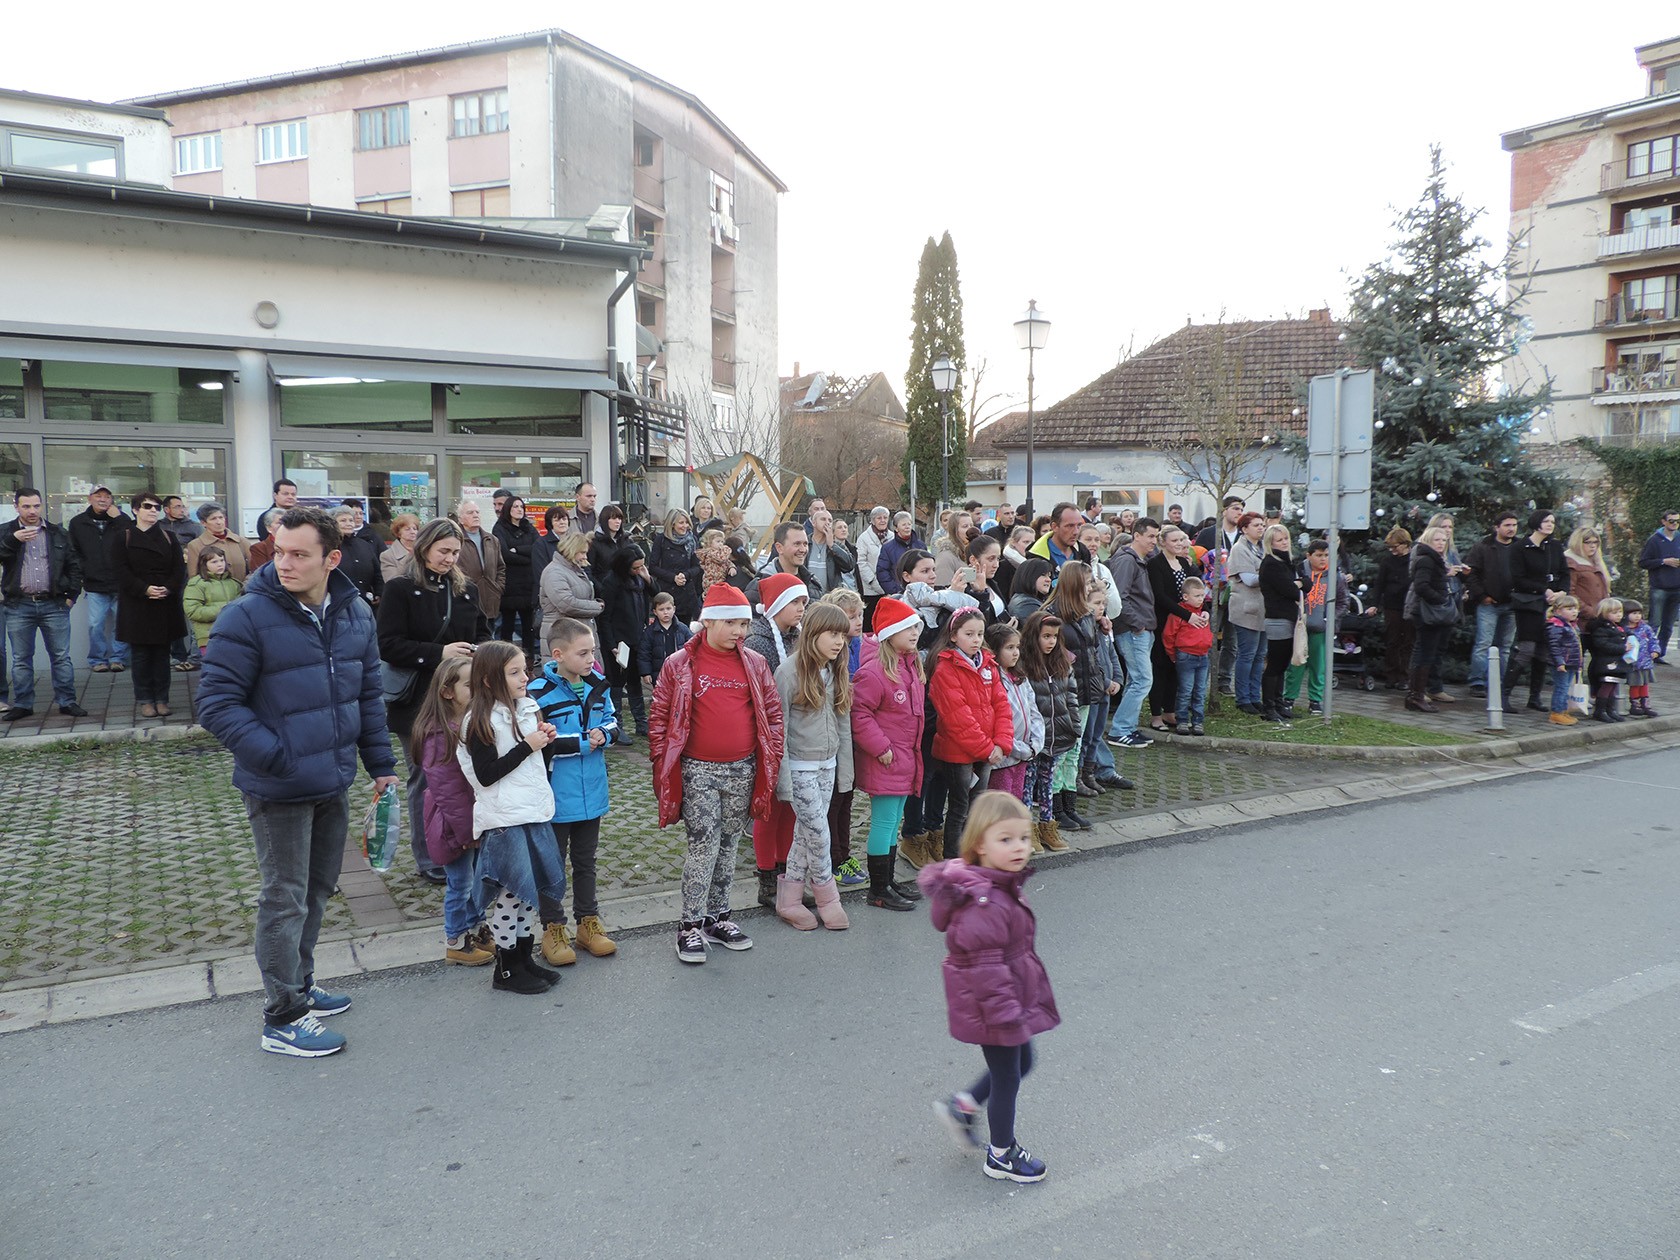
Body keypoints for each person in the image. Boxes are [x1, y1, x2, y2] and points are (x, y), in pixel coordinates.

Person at [196, 506, 398, 1057]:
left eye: (299, 554)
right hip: (278, 786)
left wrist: (381, 765)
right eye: (280, 551)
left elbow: (366, 695)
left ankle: (301, 985)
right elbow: (216, 705)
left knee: (316, 890)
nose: (284, 563)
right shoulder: (246, 616)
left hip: (333, 780)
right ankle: (282, 1016)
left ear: (331, 559)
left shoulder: (354, 613)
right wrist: (278, 758)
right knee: (284, 899)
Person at [924, 791, 1060, 1184]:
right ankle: (1001, 1155)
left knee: (1022, 1063)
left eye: (1024, 838)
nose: (1019, 847)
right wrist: (1005, 1014)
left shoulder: (996, 886)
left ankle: (963, 1106)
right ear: (980, 845)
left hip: (1005, 999)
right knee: (1007, 1076)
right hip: (994, 1007)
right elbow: (986, 969)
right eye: (1006, 839)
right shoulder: (984, 903)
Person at [650, 583, 784, 964]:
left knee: (729, 844)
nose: (739, 631)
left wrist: (771, 758)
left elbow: (772, 714)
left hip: (742, 769)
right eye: (730, 623)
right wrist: (662, 764)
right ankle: (689, 924)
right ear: (708, 622)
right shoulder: (679, 664)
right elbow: (660, 717)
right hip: (698, 770)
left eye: (743, 623)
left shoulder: (754, 663)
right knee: (704, 844)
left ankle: (717, 917)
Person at [377, 517, 494, 884]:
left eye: (455, 552)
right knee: (425, 778)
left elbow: (483, 632)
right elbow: (388, 645)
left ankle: (467, 844)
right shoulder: (399, 589)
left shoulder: (466, 589)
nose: (449, 558)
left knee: (466, 773)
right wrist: (439, 652)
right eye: (444, 551)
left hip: (463, 698)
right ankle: (429, 856)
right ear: (423, 548)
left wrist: (480, 651)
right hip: (417, 699)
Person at [455, 641, 566, 995]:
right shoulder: (479, 721)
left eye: (525, 670)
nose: (525, 678)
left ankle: (522, 960)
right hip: (504, 819)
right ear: (490, 680)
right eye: (514, 672)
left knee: (526, 894)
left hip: (530, 811)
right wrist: (528, 745)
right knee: (511, 893)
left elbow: (531, 763)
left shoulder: (525, 708)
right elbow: (487, 774)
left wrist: (545, 742)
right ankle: (506, 968)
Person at [527, 617, 621, 966]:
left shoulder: (598, 683)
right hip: (555, 796)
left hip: (592, 792)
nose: (591, 659)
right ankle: (552, 928)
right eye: (583, 653)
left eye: (592, 651)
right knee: (552, 866)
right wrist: (585, 741)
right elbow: (541, 741)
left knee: (586, 862)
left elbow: (612, 719)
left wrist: (606, 734)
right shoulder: (538, 692)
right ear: (558, 655)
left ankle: (587, 922)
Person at [770, 602, 854, 931]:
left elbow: (843, 723)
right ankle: (827, 898)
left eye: (842, 636)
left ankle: (789, 901)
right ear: (813, 633)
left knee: (804, 836)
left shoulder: (835, 670)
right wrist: (783, 781)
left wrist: (845, 772)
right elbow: (778, 730)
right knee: (819, 834)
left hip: (827, 765)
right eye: (832, 634)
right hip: (800, 767)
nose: (839, 642)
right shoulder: (788, 672)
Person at [412, 657, 494, 967]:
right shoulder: (439, 734)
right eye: (470, 685)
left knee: (476, 880)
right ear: (447, 692)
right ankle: (456, 940)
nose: (478, 690)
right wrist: (467, 830)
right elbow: (448, 791)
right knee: (460, 883)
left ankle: (476, 927)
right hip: (454, 825)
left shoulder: (469, 723)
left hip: (472, 820)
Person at [851, 596, 928, 908]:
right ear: (889, 633)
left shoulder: (910, 668)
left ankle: (888, 880)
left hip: (905, 759)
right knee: (884, 822)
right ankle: (878, 889)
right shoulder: (874, 672)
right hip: (886, 759)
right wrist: (880, 746)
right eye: (908, 628)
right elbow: (860, 714)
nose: (914, 632)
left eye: (916, 627)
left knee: (894, 820)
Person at [927, 608, 1014, 861]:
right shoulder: (945, 668)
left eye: (980, 634)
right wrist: (987, 749)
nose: (976, 640)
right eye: (969, 634)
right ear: (954, 635)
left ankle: (973, 855)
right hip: (959, 752)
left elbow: (1001, 705)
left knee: (978, 806)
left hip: (988, 750)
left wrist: (1001, 743)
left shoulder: (988, 663)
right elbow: (957, 718)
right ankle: (954, 860)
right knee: (960, 807)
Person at [743, 571, 807, 904]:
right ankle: (767, 880)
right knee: (769, 810)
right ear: (777, 605)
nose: (801, 608)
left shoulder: (798, 637)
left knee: (790, 807)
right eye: (795, 602)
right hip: (768, 737)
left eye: (803, 602)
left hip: (796, 733)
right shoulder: (758, 642)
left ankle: (787, 877)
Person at [0, 488, 86, 720]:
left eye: (36, 506)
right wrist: (13, 540)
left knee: (61, 657)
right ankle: (23, 704)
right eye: (26, 506)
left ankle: (67, 701)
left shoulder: (57, 533)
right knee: (21, 659)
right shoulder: (6, 531)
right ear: (16, 507)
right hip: (19, 605)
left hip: (54, 604)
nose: (32, 511)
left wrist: (72, 596)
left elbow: (74, 565)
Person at [108, 491, 189, 719]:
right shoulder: (123, 537)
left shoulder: (168, 537)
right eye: (147, 506)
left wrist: (168, 588)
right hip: (137, 604)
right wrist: (144, 589)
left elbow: (179, 569)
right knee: (141, 655)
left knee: (162, 655)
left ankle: (162, 699)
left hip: (164, 603)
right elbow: (120, 570)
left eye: (156, 507)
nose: (153, 510)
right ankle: (145, 699)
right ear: (135, 510)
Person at [820, 587, 867, 886]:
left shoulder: (858, 644)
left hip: (851, 730)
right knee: (835, 798)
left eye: (860, 614)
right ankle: (833, 858)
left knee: (847, 794)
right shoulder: (833, 653)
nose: (858, 621)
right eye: (851, 617)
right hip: (834, 731)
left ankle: (844, 854)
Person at [1106, 517, 1161, 746]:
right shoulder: (1127, 561)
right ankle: (1120, 729)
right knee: (1142, 680)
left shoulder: (1138, 560)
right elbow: (1120, 597)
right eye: (1150, 536)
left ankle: (1128, 727)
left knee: (1136, 680)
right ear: (1136, 535)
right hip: (1132, 630)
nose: (1154, 541)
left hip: (1140, 628)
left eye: (1156, 536)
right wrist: (1137, 624)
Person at [1503, 509, 1565, 712]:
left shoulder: (1555, 547)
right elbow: (1517, 578)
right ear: (1536, 523)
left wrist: (1561, 591)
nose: (1550, 525)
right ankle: (1504, 694)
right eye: (1546, 521)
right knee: (1527, 649)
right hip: (1529, 604)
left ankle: (1534, 697)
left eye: (1552, 522)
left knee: (1543, 651)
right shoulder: (1521, 547)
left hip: (1551, 605)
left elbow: (1564, 572)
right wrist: (1543, 589)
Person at [68, 486, 131, 674]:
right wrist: (84, 571)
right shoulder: (78, 522)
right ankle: (97, 659)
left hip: (121, 582)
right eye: (98, 496)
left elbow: (132, 540)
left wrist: (118, 518)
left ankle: (118, 658)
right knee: (95, 624)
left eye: (107, 496)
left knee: (122, 623)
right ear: (90, 499)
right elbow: (74, 551)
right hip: (94, 583)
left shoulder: (122, 519)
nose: (103, 500)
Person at [1284, 539, 1349, 716]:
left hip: (1322, 628)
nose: (1323, 559)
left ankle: (1315, 700)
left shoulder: (1336, 576)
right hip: (1300, 627)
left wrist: (1329, 619)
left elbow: (1343, 602)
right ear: (1309, 556)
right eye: (1319, 555)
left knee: (1318, 665)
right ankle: (1289, 698)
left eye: (1326, 555)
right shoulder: (1299, 572)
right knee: (1296, 663)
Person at [1145, 527, 1201, 731]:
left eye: (1181, 540)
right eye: (1174, 540)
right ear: (1163, 542)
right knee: (1160, 667)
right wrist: (1187, 614)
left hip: (1183, 626)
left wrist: (1200, 612)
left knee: (1175, 667)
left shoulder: (1184, 562)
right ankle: (1156, 715)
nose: (1179, 544)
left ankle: (1169, 711)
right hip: (1163, 622)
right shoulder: (1155, 564)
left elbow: (1194, 589)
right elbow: (1160, 596)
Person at [986, 620, 1043, 814]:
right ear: (995, 650)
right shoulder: (993, 680)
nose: (1016, 653)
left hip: (1023, 755)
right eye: (1009, 648)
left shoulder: (1020, 678)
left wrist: (1035, 744)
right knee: (999, 809)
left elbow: (1034, 711)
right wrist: (1018, 749)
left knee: (1014, 804)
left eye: (1017, 647)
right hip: (1003, 758)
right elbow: (994, 723)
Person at [597, 545, 653, 740]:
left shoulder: (639, 579)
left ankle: (641, 722)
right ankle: (617, 724)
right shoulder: (612, 582)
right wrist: (611, 644)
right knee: (617, 682)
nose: (638, 570)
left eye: (641, 566)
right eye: (635, 568)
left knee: (635, 680)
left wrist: (647, 578)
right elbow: (605, 617)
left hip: (637, 637)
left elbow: (655, 593)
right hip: (619, 642)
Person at [1403, 525, 1458, 714]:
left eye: (1443, 540)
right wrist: (1440, 599)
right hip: (1427, 612)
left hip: (1430, 611)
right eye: (1437, 540)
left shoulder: (1434, 558)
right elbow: (1421, 586)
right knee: (1423, 653)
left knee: (1426, 652)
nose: (1441, 543)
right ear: (1428, 540)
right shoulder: (1426, 559)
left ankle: (1416, 695)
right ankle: (1416, 696)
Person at [1463, 511, 1518, 695]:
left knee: (1505, 647)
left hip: (1512, 605)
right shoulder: (1483, 547)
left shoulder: (1519, 547)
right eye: (1507, 525)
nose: (1511, 529)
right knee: (1483, 643)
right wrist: (1482, 596)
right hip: (1488, 604)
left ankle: (1499, 682)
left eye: (1514, 525)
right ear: (1497, 527)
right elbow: (1471, 574)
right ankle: (1477, 681)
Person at [1258, 524, 1305, 724]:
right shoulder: (1272, 564)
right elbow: (1292, 591)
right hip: (1278, 618)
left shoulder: (1286, 562)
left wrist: (1300, 584)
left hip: (1288, 617)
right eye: (1279, 540)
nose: (1284, 542)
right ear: (1271, 543)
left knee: (1283, 664)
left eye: (1286, 538)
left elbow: (1301, 585)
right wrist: (1300, 584)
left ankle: (1278, 704)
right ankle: (1269, 707)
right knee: (1275, 665)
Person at [1225, 511, 1267, 716]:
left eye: (1262, 525)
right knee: (1247, 654)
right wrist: (1272, 576)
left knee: (1260, 655)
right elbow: (1249, 580)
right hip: (1246, 609)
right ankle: (1243, 698)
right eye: (1256, 525)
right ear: (1244, 529)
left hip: (1264, 609)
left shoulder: (1263, 547)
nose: (1261, 528)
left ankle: (1255, 696)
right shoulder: (1239, 549)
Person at [541, 530, 605, 661]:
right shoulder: (554, 572)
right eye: (582, 552)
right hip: (564, 637)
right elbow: (567, 604)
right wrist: (596, 606)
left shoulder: (574, 570)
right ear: (572, 550)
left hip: (575, 634)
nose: (585, 557)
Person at [1164, 574, 1214, 736]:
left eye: (1202, 596)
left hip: (1203, 655)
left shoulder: (1203, 613)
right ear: (1186, 597)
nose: (1201, 599)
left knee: (1200, 691)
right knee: (1185, 690)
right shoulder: (1179, 614)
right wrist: (1173, 655)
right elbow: (1168, 636)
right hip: (1186, 655)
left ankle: (1198, 721)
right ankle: (1182, 720)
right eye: (1197, 596)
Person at [493, 496, 541, 657]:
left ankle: (529, 661)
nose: (519, 509)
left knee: (529, 627)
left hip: (527, 583)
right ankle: (505, 659)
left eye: (521, 507)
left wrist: (518, 550)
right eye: (515, 506)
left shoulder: (528, 527)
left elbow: (537, 548)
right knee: (507, 626)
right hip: (510, 584)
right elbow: (505, 554)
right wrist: (527, 557)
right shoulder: (500, 527)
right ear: (508, 509)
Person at [1370, 527, 1416, 691]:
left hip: (1410, 605)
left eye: (1395, 547)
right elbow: (1379, 584)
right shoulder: (1387, 561)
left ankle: (1404, 677)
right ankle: (1391, 676)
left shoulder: (1414, 560)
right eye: (1390, 547)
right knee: (1392, 641)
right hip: (1392, 606)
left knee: (1408, 641)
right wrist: (1375, 604)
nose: (1392, 550)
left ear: (1405, 544)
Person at [1636, 508, 1680, 662]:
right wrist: (1663, 561)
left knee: (1668, 626)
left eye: (1677, 521)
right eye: (1671, 521)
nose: (1675, 524)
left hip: (1677, 588)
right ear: (1664, 522)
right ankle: (1647, 653)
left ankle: (1660, 654)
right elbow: (1643, 562)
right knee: (1655, 623)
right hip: (1659, 588)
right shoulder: (1654, 540)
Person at [182, 545, 242, 654]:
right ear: (204, 564)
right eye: (214, 562)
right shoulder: (196, 584)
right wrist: (224, 609)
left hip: (233, 636)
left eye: (222, 560)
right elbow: (192, 611)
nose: (220, 564)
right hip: (208, 637)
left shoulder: (234, 583)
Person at [647, 507, 702, 623]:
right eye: (681, 523)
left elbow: (697, 566)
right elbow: (653, 567)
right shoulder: (661, 540)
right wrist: (673, 578)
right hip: (666, 592)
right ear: (672, 524)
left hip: (686, 594)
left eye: (687, 522)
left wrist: (685, 575)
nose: (685, 526)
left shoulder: (692, 540)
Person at [455, 500, 504, 626]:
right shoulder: (456, 540)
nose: (475, 515)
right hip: (465, 599)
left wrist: (498, 588)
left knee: (489, 635)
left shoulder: (491, 540)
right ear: (460, 519)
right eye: (470, 512)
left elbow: (500, 567)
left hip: (490, 600)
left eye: (477, 512)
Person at [1582, 597, 1630, 722]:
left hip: (1615, 661)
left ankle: (1610, 710)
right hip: (1605, 662)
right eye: (1614, 612)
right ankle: (1600, 711)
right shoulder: (1601, 628)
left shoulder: (1618, 627)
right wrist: (1623, 648)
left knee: (1613, 686)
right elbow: (1602, 645)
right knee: (1606, 686)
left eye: (1620, 612)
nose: (1619, 615)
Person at [331, 505, 385, 608]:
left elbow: (377, 572)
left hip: (366, 602)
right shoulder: (329, 546)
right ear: (334, 524)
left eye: (351, 520)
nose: (348, 524)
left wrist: (379, 592)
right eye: (343, 520)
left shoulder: (364, 545)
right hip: (339, 603)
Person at [639, 590, 693, 690]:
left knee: (680, 696)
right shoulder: (650, 632)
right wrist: (646, 673)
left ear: (674, 609)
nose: (665, 612)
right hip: (659, 674)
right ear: (655, 612)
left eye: (668, 608)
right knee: (661, 697)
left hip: (680, 673)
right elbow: (644, 653)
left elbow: (692, 648)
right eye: (661, 609)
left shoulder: (683, 629)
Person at [185, 504, 252, 583]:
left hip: (243, 588)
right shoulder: (195, 545)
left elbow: (254, 570)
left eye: (221, 517)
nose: (219, 522)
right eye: (213, 519)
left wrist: (246, 585)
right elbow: (194, 577)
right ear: (203, 523)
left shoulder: (242, 542)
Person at [1545, 594, 1583, 727]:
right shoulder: (1556, 626)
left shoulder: (1571, 625)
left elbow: (1577, 647)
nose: (1574, 612)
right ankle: (1557, 712)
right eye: (1569, 609)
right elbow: (1554, 646)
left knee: (1566, 687)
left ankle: (1563, 710)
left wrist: (1579, 663)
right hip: (1562, 663)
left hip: (1571, 663)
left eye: (1575, 608)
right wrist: (1559, 662)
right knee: (1561, 687)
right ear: (1558, 611)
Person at [1564, 526, 1613, 623]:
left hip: (1599, 619)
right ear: (1578, 543)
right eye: (1587, 542)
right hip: (1581, 620)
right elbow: (1569, 593)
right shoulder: (1571, 563)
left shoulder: (1596, 562)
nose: (1593, 546)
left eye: (1595, 542)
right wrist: (1589, 611)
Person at [805, 504, 856, 595]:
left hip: (830, 597)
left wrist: (832, 546)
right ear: (813, 523)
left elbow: (849, 566)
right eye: (823, 519)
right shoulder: (805, 543)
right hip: (808, 596)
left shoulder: (837, 546)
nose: (827, 523)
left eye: (830, 520)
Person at [1624, 599, 1660, 717]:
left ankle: (1645, 704)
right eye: (1634, 613)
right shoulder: (1624, 629)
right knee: (1635, 683)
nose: (1637, 616)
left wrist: (1655, 650)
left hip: (1645, 661)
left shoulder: (1645, 628)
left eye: (1639, 613)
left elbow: (1653, 640)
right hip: (1632, 663)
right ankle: (1635, 704)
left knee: (1644, 683)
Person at [1028, 503, 1093, 569]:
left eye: (1079, 525)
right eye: (1070, 526)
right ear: (1054, 527)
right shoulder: (1036, 557)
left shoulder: (1083, 552)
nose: (1076, 532)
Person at [855, 506, 892, 619]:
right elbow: (861, 562)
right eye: (879, 518)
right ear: (872, 520)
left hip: (890, 588)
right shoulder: (864, 538)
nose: (882, 520)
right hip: (870, 590)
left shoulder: (893, 537)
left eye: (885, 517)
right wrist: (873, 581)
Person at [876, 511, 924, 596]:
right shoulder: (887, 548)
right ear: (896, 528)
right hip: (898, 593)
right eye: (904, 525)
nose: (907, 527)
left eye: (909, 524)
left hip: (920, 592)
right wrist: (894, 590)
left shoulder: (921, 546)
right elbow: (882, 572)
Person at [1007, 557, 1054, 624]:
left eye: (1049, 576)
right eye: (1043, 575)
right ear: (1029, 576)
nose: (1049, 580)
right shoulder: (1027, 605)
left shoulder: (1029, 601)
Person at [381, 513, 422, 584]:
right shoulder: (387, 556)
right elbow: (392, 583)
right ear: (398, 533)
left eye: (415, 529)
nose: (412, 532)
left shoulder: (424, 551)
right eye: (407, 529)